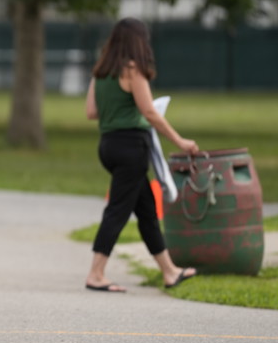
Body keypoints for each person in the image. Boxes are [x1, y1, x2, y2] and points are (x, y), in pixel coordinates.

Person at [84, 18, 199, 293]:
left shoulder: (101, 71)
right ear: (139, 41)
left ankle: (169, 271)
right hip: (131, 148)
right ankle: (96, 274)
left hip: (108, 146)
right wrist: (180, 141)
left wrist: (119, 107)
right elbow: (149, 112)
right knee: (117, 211)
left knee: (146, 210)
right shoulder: (132, 70)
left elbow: (92, 112)